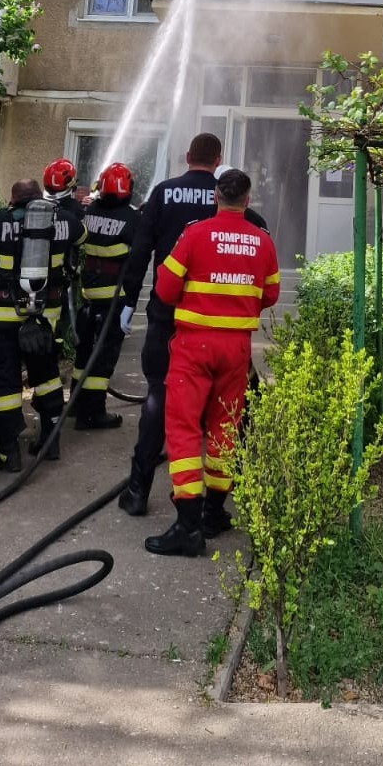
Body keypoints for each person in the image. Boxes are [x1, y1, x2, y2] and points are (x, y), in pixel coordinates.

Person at [117, 133, 268, 515]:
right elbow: (258, 248)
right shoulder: (239, 211)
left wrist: (126, 302)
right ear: (219, 161)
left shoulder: (164, 193)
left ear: (187, 156)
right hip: (222, 330)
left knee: (159, 400)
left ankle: (137, 490)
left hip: (168, 319)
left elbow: (138, 253)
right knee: (223, 415)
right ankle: (215, 505)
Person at [145, 168, 279, 556]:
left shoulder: (194, 234)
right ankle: (214, 512)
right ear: (248, 200)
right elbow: (270, 295)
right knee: (225, 428)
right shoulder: (262, 241)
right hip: (236, 349)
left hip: (193, 347)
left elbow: (165, 289)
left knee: (184, 429)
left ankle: (187, 527)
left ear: (215, 197)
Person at [0, 179, 84, 471]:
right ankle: (50, 441)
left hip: (6, 318)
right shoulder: (65, 221)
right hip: (46, 317)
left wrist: (2, 217)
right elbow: (83, 236)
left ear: (13, 199)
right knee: (46, 378)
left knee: (6, 386)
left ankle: (8, 454)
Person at [69, 161, 141, 431]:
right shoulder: (133, 219)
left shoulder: (88, 211)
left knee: (83, 351)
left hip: (87, 295)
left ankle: (76, 404)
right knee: (104, 356)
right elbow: (137, 263)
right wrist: (131, 303)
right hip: (114, 298)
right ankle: (93, 413)